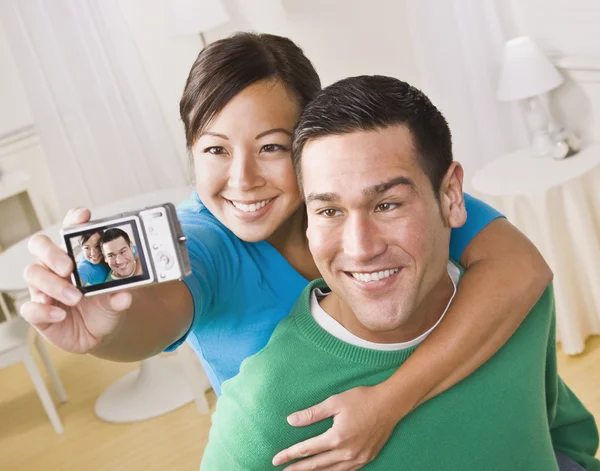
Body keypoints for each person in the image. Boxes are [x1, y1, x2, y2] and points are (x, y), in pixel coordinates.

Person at [21, 33, 553, 469]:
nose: (242, 179)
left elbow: (519, 266)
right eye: (215, 149)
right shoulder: (202, 239)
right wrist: (110, 328)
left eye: (271, 146)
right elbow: (156, 310)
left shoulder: (375, 196)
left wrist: (389, 402)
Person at [200, 75, 600, 471]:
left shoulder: (517, 303)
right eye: (329, 211)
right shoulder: (263, 411)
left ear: (450, 196)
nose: (360, 247)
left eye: (387, 205)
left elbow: (559, 440)